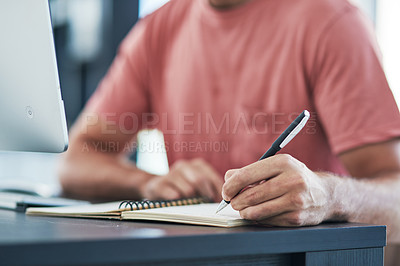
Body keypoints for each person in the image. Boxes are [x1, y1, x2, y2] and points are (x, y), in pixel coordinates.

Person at [59, 0, 400, 244]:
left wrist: (329, 195)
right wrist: (147, 184)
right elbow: (75, 163)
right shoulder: (157, 29)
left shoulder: (332, 23)